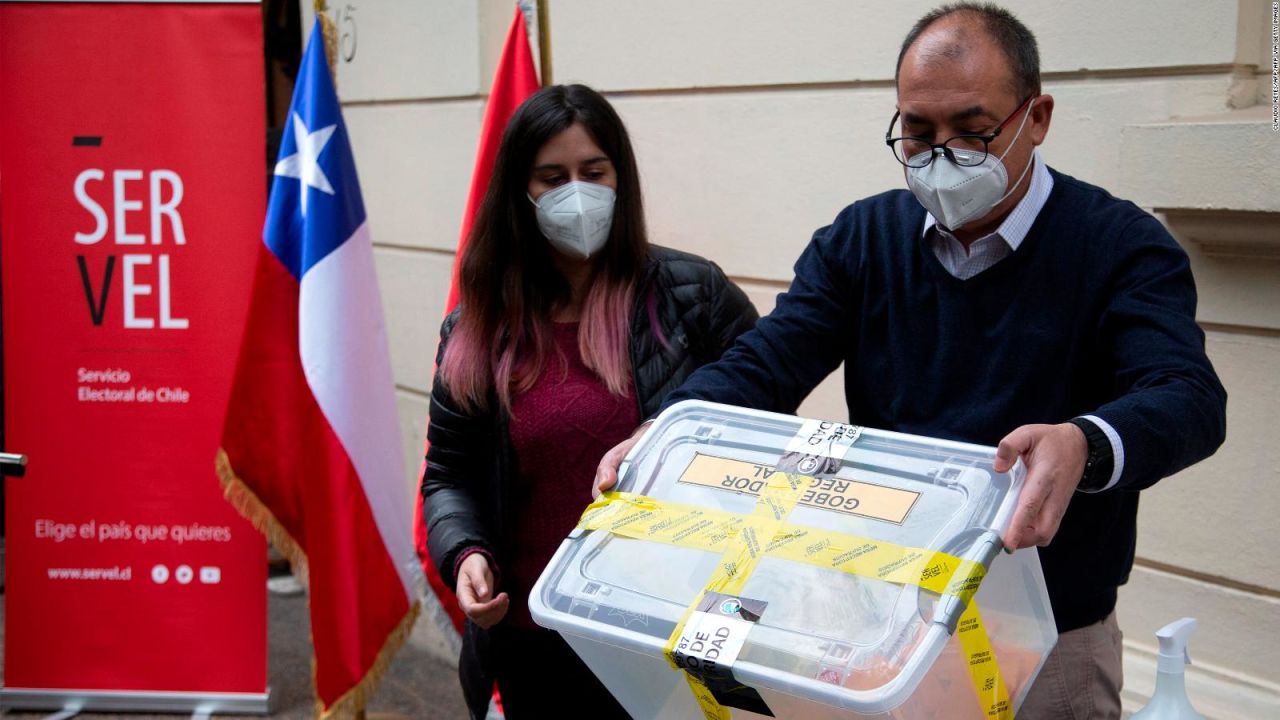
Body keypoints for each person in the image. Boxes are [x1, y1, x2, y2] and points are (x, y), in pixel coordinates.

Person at [595, 4, 1227, 719]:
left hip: (1046, 637)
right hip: (883, 627)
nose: (942, 156)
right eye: (918, 133)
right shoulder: (863, 239)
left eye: (972, 130)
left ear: (1037, 117)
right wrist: (673, 428)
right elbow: (768, 360)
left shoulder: (1118, 247)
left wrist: (1085, 441)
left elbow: (1188, 395)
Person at [420, 83, 759, 719]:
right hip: (535, 636)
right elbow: (448, 475)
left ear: (620, 178)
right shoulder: (480, 325)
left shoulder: (695, 296)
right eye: (552, 177)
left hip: (671, 634)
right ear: (519, 193)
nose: (578, 193)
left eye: (593, 172)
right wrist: (465, 553)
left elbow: (765, 449)